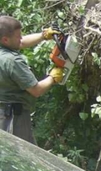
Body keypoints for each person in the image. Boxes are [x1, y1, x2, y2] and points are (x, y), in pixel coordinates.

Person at [0, 16, 64, 145]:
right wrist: (53, 77)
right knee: (20, 158)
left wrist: (43, 35)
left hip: (3, 113)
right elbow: (36, 90)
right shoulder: (12, 62)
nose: (21, 38)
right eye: (18, 36)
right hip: (13, 118)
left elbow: (21, 42)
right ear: (5, 39)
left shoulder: (4, 47)